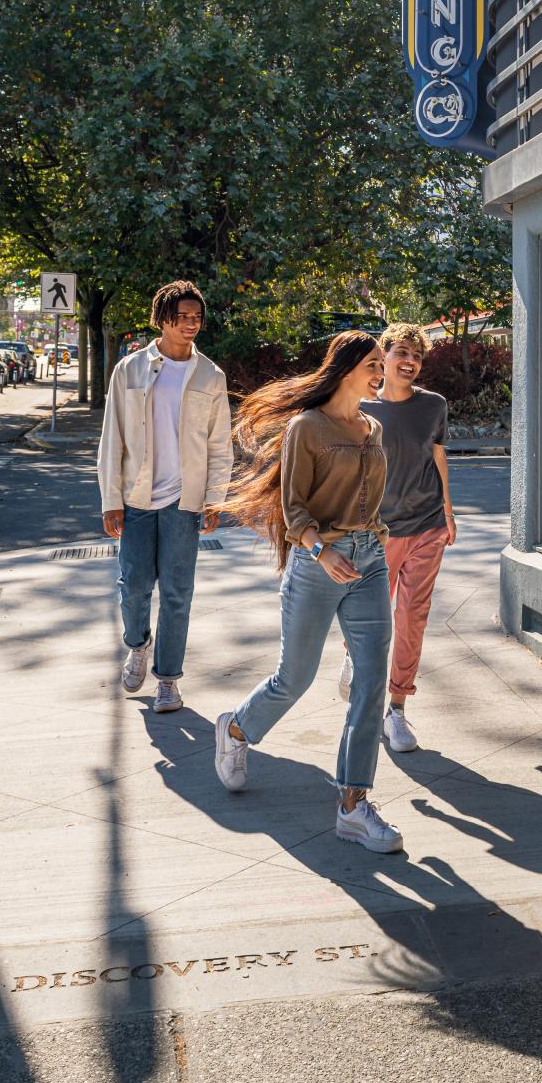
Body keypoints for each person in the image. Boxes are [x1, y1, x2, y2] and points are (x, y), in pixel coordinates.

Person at [215, 331, 404, 855]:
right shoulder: (308, 427)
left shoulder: (374, 428)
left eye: (381, 365)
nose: (380, 373)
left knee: (371, 682)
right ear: (345, 368)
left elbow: (371, 501)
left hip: (367, 561)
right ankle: (235, 730)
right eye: (372, 364)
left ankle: (352, 804)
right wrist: (323, 551)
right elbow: (293, 507)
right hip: (318, 562)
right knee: (293, 678)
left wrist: (374, 543)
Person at [97, 280, 233, 714]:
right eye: (183, 316)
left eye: (197, 317)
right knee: (134, 586)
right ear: (162, 318)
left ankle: (168, 679)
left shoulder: (211, 375)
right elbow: (112, 437)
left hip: (184, 501)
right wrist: (110, 498)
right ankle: (137, 645)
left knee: (178, 593)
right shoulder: (131, 369)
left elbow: (219, 444)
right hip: (136, 498)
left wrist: (215, 498)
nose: (191, 323)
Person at [337, 322, 457, 752]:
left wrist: (447, 510)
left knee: (412, 618)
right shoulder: (359, 409)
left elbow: (438, 456)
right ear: (383, 357)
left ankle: (398, 710)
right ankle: (353, 657)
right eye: (402, 353)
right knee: (373, 618)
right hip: (377, 533)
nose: (410, 362)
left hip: (427, 526)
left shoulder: (434, 406)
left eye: (417, 356)